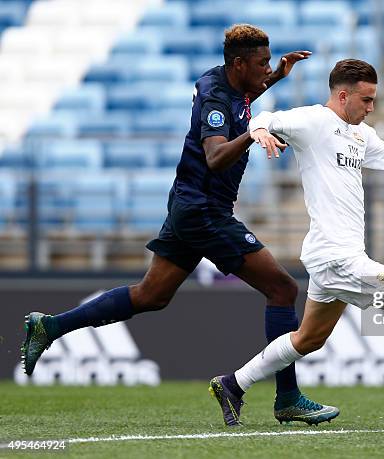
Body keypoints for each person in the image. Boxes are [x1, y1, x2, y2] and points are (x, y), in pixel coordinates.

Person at [21, 24, 338, 425]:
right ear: (239, 63)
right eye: (262, 64)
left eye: (269, 62)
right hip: (205, 209)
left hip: (189, 204)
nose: (267, 68)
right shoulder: (216, 97)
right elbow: (216, 155)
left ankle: (48, 327)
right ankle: (287, 397)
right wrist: (256, 133)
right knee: (282, 288)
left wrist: (277, 78)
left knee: (151, 295)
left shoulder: (225, 82)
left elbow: (241, 103)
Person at [209, 59, 384, 426]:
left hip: (337, 257)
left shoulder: (361, 135)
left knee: (308, 339)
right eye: (367, 100)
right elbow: (265, 116)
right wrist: (258, 130)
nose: (371, 108)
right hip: (338, 259)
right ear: (343, 95)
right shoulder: (314, 121)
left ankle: (233, 384)